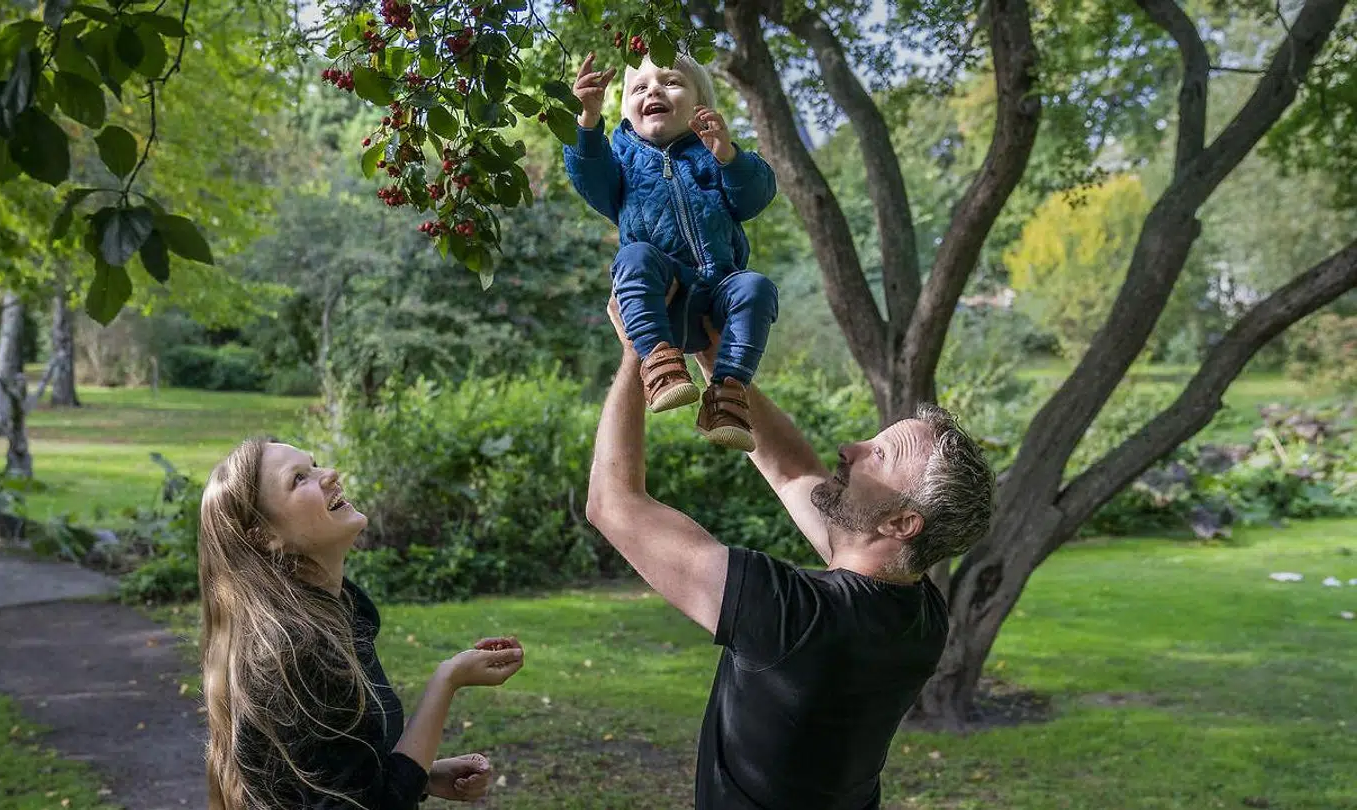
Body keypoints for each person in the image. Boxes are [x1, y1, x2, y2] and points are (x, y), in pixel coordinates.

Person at [584, 304, 995, 809]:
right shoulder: (920, 615)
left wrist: (637, 348)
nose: (850, 448)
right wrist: (716, 357)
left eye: (879, 456)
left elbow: (613, 504)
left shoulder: (794, 620)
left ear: (901, 524)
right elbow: (792, 471)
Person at [198, 438, 526, 810]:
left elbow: (336, 779)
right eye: (299, 479)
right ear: (266, 536)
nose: (330, 475)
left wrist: (422, 776)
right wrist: (447, 680)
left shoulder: (340, 612)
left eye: (316, 464)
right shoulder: (298, 649)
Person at [564, 50, 779, 452]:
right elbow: (587, 175)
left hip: (719, 298)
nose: (654, 91)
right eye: (639, 87)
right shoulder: (620, 160)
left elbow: (755, 196)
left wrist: (729, 156)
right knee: (633, 258)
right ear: (626, 110)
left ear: (702, 105)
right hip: (662, 302)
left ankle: (727, 397)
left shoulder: (715, 154)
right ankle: (661, 366)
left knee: (757, 287)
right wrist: (589, 121)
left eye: (671, 82)